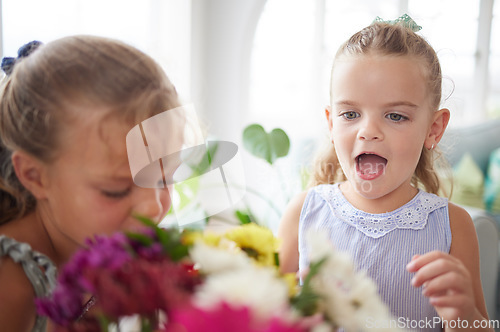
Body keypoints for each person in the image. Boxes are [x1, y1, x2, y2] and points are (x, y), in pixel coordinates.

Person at [278, 17, 493, 331]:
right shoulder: (303, 214)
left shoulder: (453, 226)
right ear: (331, 123)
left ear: (434, 129)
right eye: (350, 114)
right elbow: (266, 317)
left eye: (395, 115)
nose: (368, 131)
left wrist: (464, 315)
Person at [0, 36, 182, 331]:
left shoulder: (93, 243)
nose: (154, 206)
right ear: (35, 176)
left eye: (166, 177)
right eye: (117, 190)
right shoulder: (10, 285)